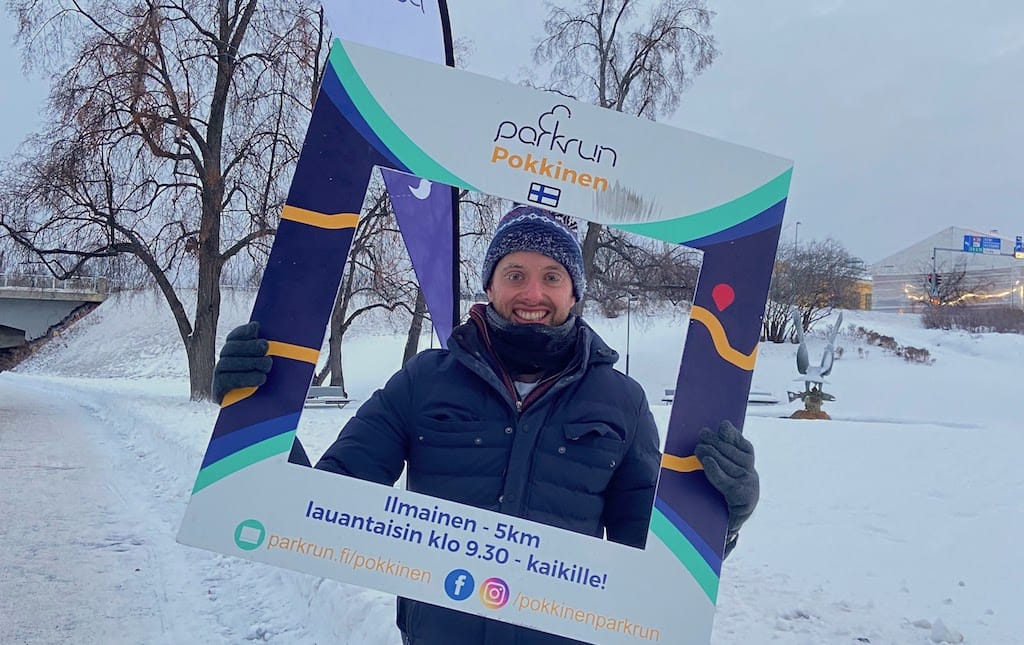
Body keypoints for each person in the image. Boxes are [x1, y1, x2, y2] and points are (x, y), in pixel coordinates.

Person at [212, 205, 759, 645]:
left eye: (551, 277)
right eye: (514, 274)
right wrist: (255, 415)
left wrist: (715, 518)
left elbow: (648, 556)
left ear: (575, 293)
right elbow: (324, 500)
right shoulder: (426, 379)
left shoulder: (622, 402)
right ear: (490, 286)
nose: (533, 294)